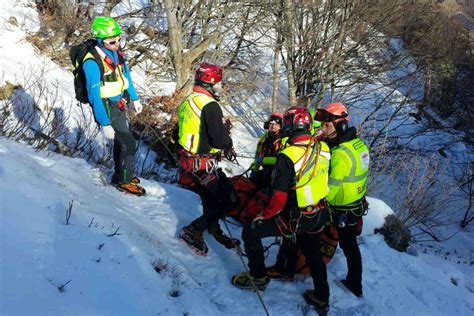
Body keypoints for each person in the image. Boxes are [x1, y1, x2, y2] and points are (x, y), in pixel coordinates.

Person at [231, 106, 332, 314]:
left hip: (296, 216)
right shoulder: (323, 149)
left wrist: (263, 215)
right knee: (313, 254)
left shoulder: (287, 156)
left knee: (250, 232)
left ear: (292, 126)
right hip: (319, 213)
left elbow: (279, 197)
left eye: (286, 123)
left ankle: (258, 277)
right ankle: (322, 297)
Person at [176, 63, 239, 256]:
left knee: (211, 197)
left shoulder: (188, 100)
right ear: (211, 84)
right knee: (227, 200)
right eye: (219, 83)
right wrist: (227, 141)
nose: (220, 87)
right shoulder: (210, 105)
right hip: (202, 162)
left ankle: (211, 227)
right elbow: (218, 140)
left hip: (189, 160)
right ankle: (194, 230)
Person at [83, 16, 145, 195]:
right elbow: (94, 95)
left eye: (119, 39)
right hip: (106, 106)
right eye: (112, 41)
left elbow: (126, 77)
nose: (117, 43)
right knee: (129, 143)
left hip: (119, 103)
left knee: (122, 142)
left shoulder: (117, 54)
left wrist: (134, 98)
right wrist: (104, 123)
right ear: (101, 40)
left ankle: (121, 174)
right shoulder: (92, 62)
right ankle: (125, 181)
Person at [315, 102, 370, 298]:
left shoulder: (340, 154)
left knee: (344, 244)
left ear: (341, 126)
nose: (323, 129)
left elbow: (330, 189)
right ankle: (355, 283)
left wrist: (316, 203)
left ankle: (313, 273)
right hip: (355, 203)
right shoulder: (358, 144)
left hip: (340, 207)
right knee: (350, 245)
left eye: (327, 126)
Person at [250, 112, 284, 189]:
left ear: (281, 126)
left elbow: (281, 160)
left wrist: (263, 160)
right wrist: (254, 169)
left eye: (276, 124)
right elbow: (258, 155)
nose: (272, 126)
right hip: (265, 170)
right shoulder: (264, 138)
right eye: (271, 124)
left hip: (278, 174)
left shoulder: (284, 139)